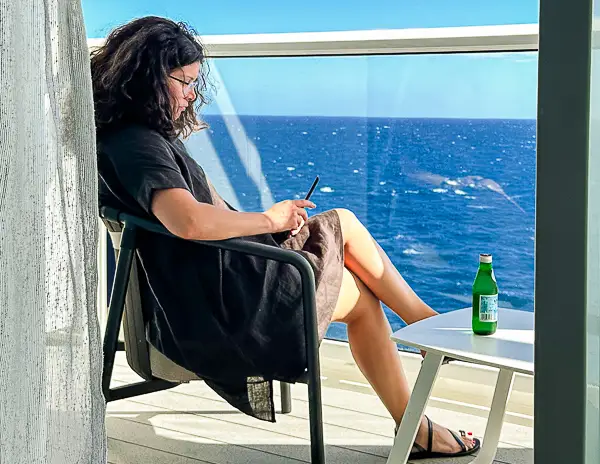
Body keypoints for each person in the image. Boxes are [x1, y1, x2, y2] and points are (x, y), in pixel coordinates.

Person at [92, 16, 479, 460]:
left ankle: (421, 361)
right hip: (222, 309)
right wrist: (269, 219)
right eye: (185, 81)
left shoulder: (128, 136)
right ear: (150, 77)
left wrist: (275, 225)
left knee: (345, 233)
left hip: (214, 283)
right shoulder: (138, 145)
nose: (192, 94)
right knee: (360, 285)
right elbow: (189, 223)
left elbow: (194, 224)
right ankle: (425, 347)